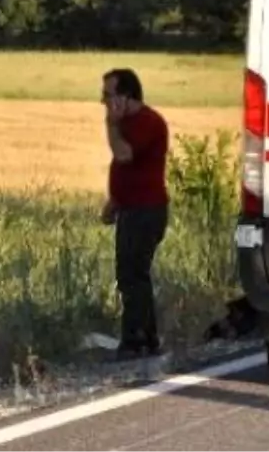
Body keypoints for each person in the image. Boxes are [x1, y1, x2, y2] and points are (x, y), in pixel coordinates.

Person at [100, 68, 170, 360]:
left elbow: (124, 155)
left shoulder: (146, 122)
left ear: (125, 96)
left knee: (132, 275)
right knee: (130, 273)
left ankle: (137, 339)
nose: (103, 101)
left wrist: (111, 124)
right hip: (131, 208)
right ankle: (145, 337)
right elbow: (129, 169)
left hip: (145, 210)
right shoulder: (132, 123)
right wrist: (115, 200)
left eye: (107, 95)